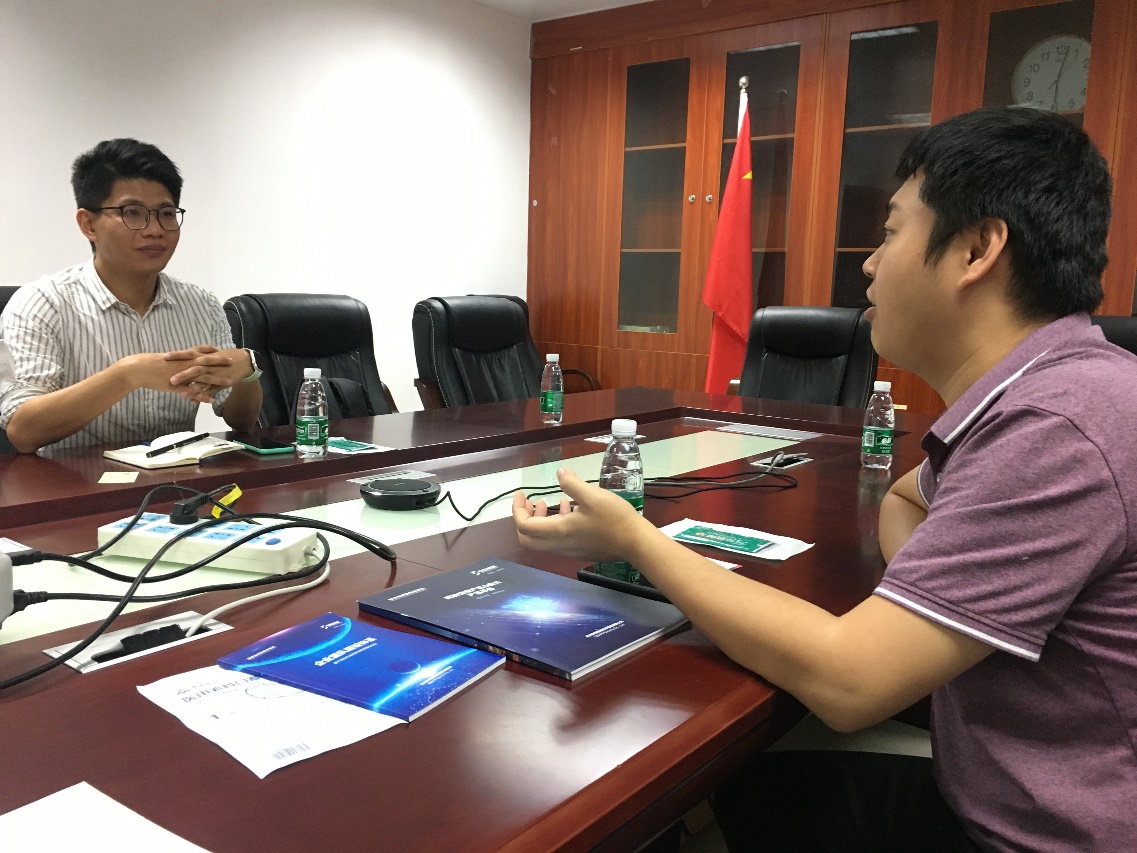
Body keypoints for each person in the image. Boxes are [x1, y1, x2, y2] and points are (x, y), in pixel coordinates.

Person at [513, 106, 1137, 852]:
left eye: (892, 231)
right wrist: (939, 597)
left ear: (976, 249)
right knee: (737, 779)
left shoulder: (1058, 424)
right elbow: (905, 497)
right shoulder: (1056, 388)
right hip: (997, 789)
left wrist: (634, 539)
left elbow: (849, 683)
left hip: (1040, 835)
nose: (869, 264)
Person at [0, 138, 262, 453]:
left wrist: (248, 372)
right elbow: (23, 430)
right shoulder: (42, 304)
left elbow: (241, 421)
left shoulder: (202, 305)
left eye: (166, 213)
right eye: (132, 212)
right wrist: (129, 374)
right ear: (88, 224)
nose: (155, 230)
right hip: (78, 481)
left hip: (176, 479)